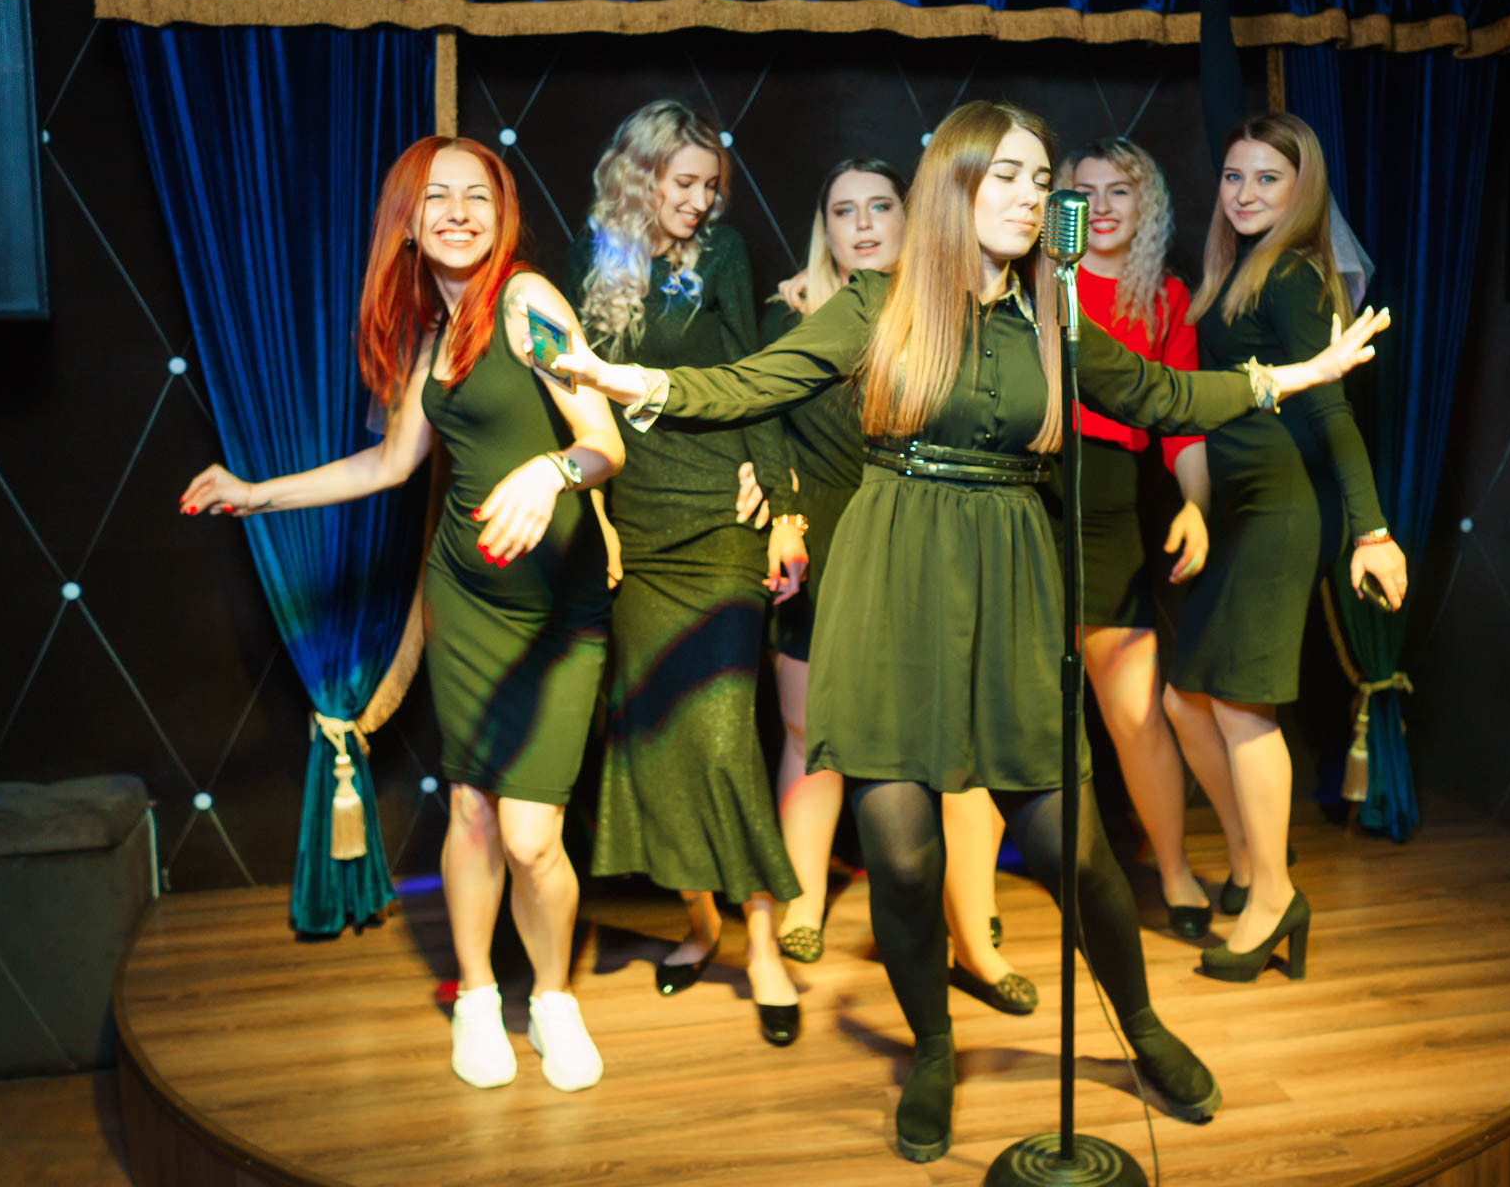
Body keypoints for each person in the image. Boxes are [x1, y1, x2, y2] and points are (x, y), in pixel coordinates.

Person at [548, 99, 1388, 1160]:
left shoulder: (1055, 313)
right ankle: (933, 1049)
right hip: (891, 582)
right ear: (955, 184)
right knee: (901, 859)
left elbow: (1164, 393)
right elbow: (754, 384)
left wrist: (1294, 376)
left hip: (1010, 582)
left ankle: (1140, 1025)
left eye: (1041, 180)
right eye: (1008, 176)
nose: (1032, 197)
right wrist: (630, 380)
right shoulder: (882, 302)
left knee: (1073, 847)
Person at [179, 136, 625, 1092]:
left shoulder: (529, 304)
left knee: (531, 837)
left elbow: (603, 439)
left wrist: (551, 474)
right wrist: (256, 493)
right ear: (409, 224)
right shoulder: (432, 339)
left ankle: (552, 998)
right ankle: (477, 995)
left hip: (557, 610)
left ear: (503, 213)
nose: (459, 212)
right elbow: (389, 464)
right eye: (437, 199)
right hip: (467, 600)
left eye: (477, 196)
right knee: (472, 811)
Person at [1159, 0, 1411, 984]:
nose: (1247, 190)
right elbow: (1228, 117)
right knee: (1188, 698)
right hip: (1239, 506)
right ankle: (1260, 866)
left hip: (1280, 513)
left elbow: (1334, 413)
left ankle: (1272, 895)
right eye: (1235, 178)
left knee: (1239, 704)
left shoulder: (1300, 277)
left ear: (1303, 190)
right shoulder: (1239, 263)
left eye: (1269, 178)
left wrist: (1374, 530)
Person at [755, 158, 1036, 1016]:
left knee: (958, 750)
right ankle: (803, 903)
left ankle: (974, 938)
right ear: (825, 228)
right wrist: (781, 510)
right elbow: (759, 415)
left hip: (928, 553)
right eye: (845, 210)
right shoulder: (791, 314)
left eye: (882, 206)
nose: (865, 223)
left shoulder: (945, 312)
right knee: (810, 733)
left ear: (912, 219)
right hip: (822, 544)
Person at [567, 100, 806, 1046]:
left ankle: (764, 943)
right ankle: (702, 923)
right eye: (686, 182)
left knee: (720, 737)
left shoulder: (725, 254)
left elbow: (756, 375)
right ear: (641, 176)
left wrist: (779, 500)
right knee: (658, 737)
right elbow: (573, 403)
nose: (702, 201)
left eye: (712, 185)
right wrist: (598, 521)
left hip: (721, 518)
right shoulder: (593, 267)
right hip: (638, 527)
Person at [1055, 134, 1221, 940]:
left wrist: (1197, 504)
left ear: (1145, 203)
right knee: (1014, 714)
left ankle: (1177, 872)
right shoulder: (1037, 282)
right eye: (1084, 192)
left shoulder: (1165, 298)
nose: (1102, 207)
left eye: (1118, 190)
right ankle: (979, 903)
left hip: (1113, 503)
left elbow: (1183, 420)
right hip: (1030, 491)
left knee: (1133, 713)